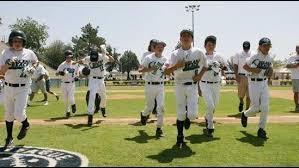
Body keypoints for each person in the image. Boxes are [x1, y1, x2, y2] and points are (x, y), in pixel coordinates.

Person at [164, 29, 207, 147]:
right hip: (179, 85)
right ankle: (180, 136)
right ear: (180, 39)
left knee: (193, 115)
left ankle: (188, 118)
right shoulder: (175, 53)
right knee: (180, 114)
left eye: (188, 36)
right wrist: (177, 65)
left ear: (192, 39)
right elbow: (166, 72)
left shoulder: (198, 52)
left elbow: (205, 66)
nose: (186, 37)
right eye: (183, 36)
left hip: (192, 85)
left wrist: (199, 76)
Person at [0, 30, 38, 149]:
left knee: (19, 113)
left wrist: (32, 67)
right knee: (8, 114)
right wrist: (8, 65)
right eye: (15, 41)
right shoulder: (5, 53)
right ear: (11, 41)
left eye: (19, 41)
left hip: (23, 87)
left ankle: (25, 124)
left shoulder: (29, 53)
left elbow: (36, 62)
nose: (17, 43)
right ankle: (9, 138)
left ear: (23, 41)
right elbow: (1, 71)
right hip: (8, 86)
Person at [241, 37, 273, 139]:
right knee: (255, 107)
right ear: (260, 46)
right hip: (254, 83)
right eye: (265, 45)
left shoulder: (270, 57)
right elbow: (245, 67)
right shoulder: (255, 56)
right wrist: (254, 70)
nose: (267, 47)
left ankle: (261, 129)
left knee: (265, 107)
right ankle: (245, 114)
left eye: (268, 45)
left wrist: (270, 72)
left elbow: (270, 67)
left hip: (264, 83)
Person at [77, 45, 114, 126]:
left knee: (103, 96)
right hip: (92, 79)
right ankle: (90, 116)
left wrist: (106, 53)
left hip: (101, 79)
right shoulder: (88, 58)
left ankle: (103, 108)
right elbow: (81, 61)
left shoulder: (102, 56)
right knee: (92, 96)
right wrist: (76, 62)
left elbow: (112, 60)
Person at [200, 35, 228, 137]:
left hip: (216, 83)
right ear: (205, 46)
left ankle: (207, 117)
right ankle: (210, 126)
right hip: (205, 83)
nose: (210, 46)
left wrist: (220, 67)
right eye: (208, 45)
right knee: (210, 105)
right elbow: (199, 70)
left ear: (215, 45)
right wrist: (211, 67)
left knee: (215, 104)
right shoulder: (202, 56)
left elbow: (224, 67)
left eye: (212, 44)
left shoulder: (219, 56)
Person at [139, 40, 167, 138]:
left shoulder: (165, 59)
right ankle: (143, 114)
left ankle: (159, 129)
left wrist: (169, 71)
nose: (161, 48)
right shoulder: (148, 58)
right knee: (150, 107)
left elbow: (168, 71)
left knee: (161, 107)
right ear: (154, 48)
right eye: (159, 46)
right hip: (149, 85)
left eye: (162, 47)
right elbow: (140, 70)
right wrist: (151, 69)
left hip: (160, 85)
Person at [56, 50, 79, 118]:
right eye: (68, 56)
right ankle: (67, 111)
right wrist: (61, 73)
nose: (69, 58)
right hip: (63, 83)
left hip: (71, 83)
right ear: (65, 57)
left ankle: (73, 104)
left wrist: (77, 76)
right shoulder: (62, 64)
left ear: (72, 56)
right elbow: (56, 73)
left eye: (70, 56)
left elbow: (77, 72)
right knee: (65, 99)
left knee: (71, 97)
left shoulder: (75, 64)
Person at [140, 39, 159, 116]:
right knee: (150, 98)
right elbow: (142, 65)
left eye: (156, 44)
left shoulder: (159, 54)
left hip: (157, 78)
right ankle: (147, 113)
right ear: (150, 45)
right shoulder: (146, 54)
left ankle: (155, 109)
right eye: (153, 44)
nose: (155, 46)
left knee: (158, 97)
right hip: (149, 78)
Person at [233, 41, 252, 112]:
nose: (246, 49)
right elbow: (235, 65)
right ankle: (241, 102)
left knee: (249, 96)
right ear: (243, 47)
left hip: (251, 77)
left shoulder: (253, 54)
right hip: (241, 76)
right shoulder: (238, 53)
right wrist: (236, 75)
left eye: (247, 48)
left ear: (249, 47)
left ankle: (247, 111)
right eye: (245, 48)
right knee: (241, 95)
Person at [286, 45, 299, 112]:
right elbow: (287, 65)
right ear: (296, 49)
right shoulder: (292, 57)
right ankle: (297, 106)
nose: (298, 49)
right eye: (297, 48)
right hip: (295, 77)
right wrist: (294, 65)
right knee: (296, 92)